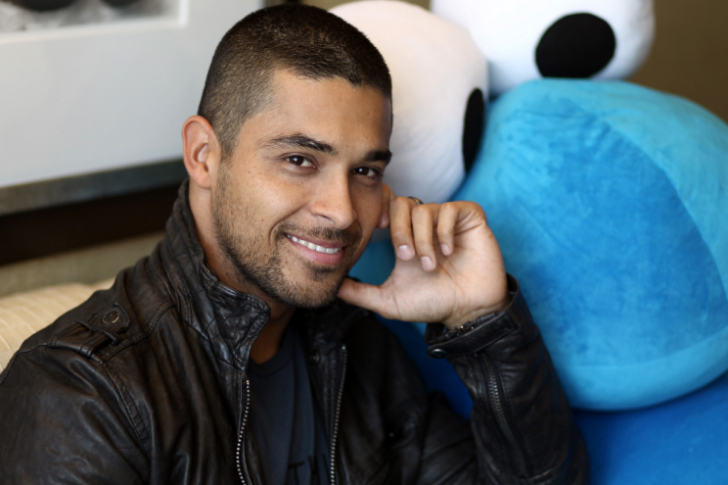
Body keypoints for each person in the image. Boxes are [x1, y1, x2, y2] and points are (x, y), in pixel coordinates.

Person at [0, 5, 588, 484]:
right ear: (204, 155)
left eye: (366, 172)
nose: (342, 211)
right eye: (300, 160)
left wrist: (481, 322)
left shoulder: (358, 346)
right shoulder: (81, 393)